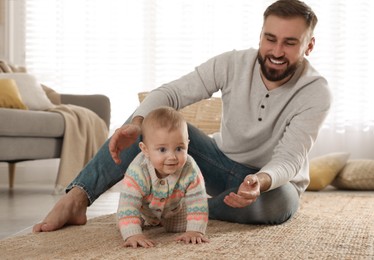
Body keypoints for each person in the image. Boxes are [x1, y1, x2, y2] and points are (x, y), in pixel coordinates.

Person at [33, 0, 331, 233]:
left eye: (290, 43)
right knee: (147, 126)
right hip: (219, 163)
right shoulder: (233, 63)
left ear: (309, 45)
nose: (276, 51)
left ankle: (186, 209)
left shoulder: (315, 91)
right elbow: (171, 93)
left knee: (282, 204)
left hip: (269, 182)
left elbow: (290, 160)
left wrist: (261, 180)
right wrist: (137, 124)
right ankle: (76, 199)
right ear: (261, 36)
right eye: (270, 39)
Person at [117, 107, 208, 248]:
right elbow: (128, 204)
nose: (172, 157)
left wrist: (195, 230)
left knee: (183, 226)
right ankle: (136, 225)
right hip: (144, 209)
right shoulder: (138, 170)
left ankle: (175, 223)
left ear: (187, 145)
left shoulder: (190, 168)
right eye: (162, 149)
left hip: (174, 209)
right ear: (145, 150)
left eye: (179, 148)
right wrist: (134, 234)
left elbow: (198, 201)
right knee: (127, 223)